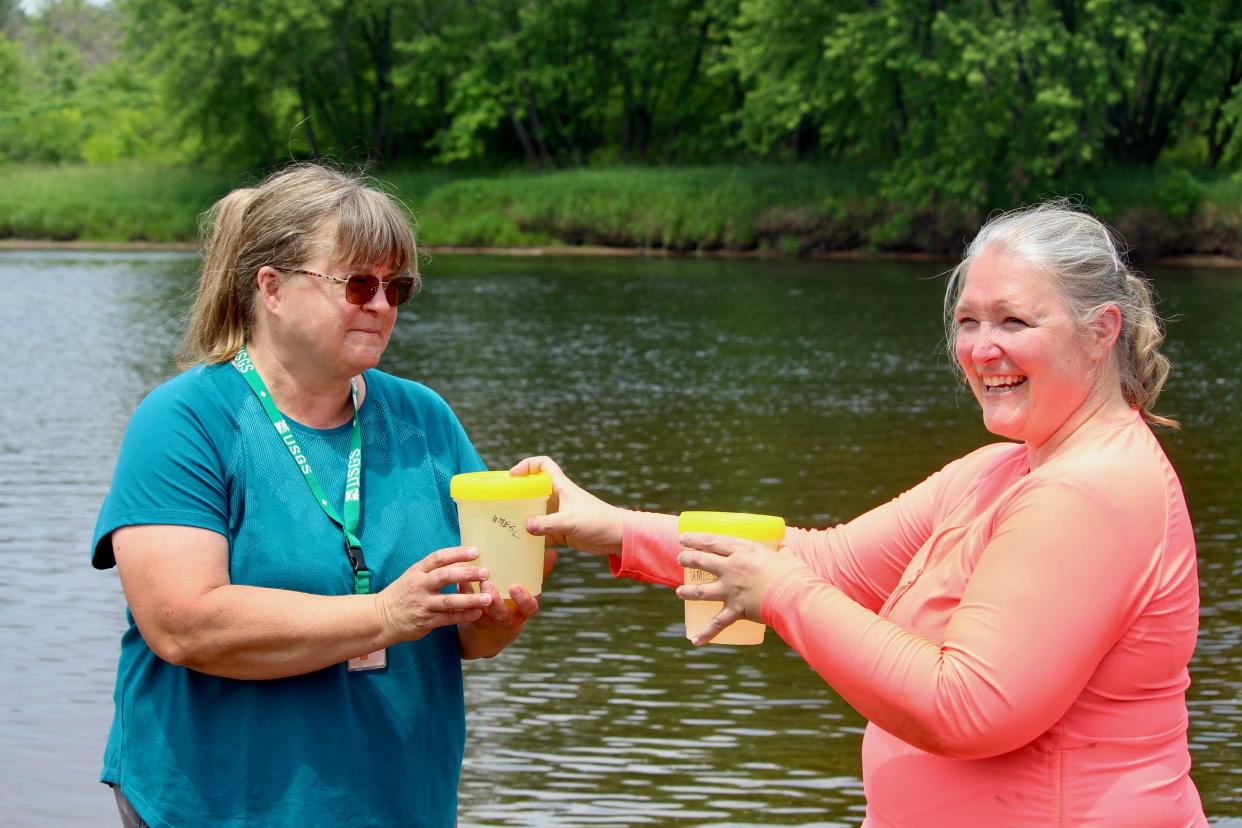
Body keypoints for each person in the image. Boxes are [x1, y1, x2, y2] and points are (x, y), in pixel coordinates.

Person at [513, 202, 1208, 827]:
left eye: (1013, 321)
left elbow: (965, 707)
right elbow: (831, 559)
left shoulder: (1086, 492)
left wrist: (781, 595)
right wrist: (616, 526)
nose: (979, 348)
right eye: (968, 321)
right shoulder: (1007, 467)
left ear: (1100, 331)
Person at [91, 163, 546, 827]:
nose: (382, 306)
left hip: (398, 807)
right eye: (359, 283)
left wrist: (494, 618)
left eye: (398, 288)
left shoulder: (424, 418)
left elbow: (462, 636)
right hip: (215, 807)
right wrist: (384, 615)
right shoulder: (185, 419)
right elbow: (183, 623)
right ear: (271, 290)